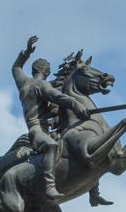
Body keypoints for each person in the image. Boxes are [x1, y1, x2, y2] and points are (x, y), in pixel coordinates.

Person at [12, 35, 92, 201]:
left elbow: (16, 66)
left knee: (77, 147)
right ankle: (49, 186)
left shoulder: (23, 82)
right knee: (51, 145)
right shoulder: (42, 85)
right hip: (37, 131)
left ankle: (94, 191)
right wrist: (77, 104)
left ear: (34, 70)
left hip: (40, 127)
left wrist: (26, 52)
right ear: (47, 72)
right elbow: (59, 97)